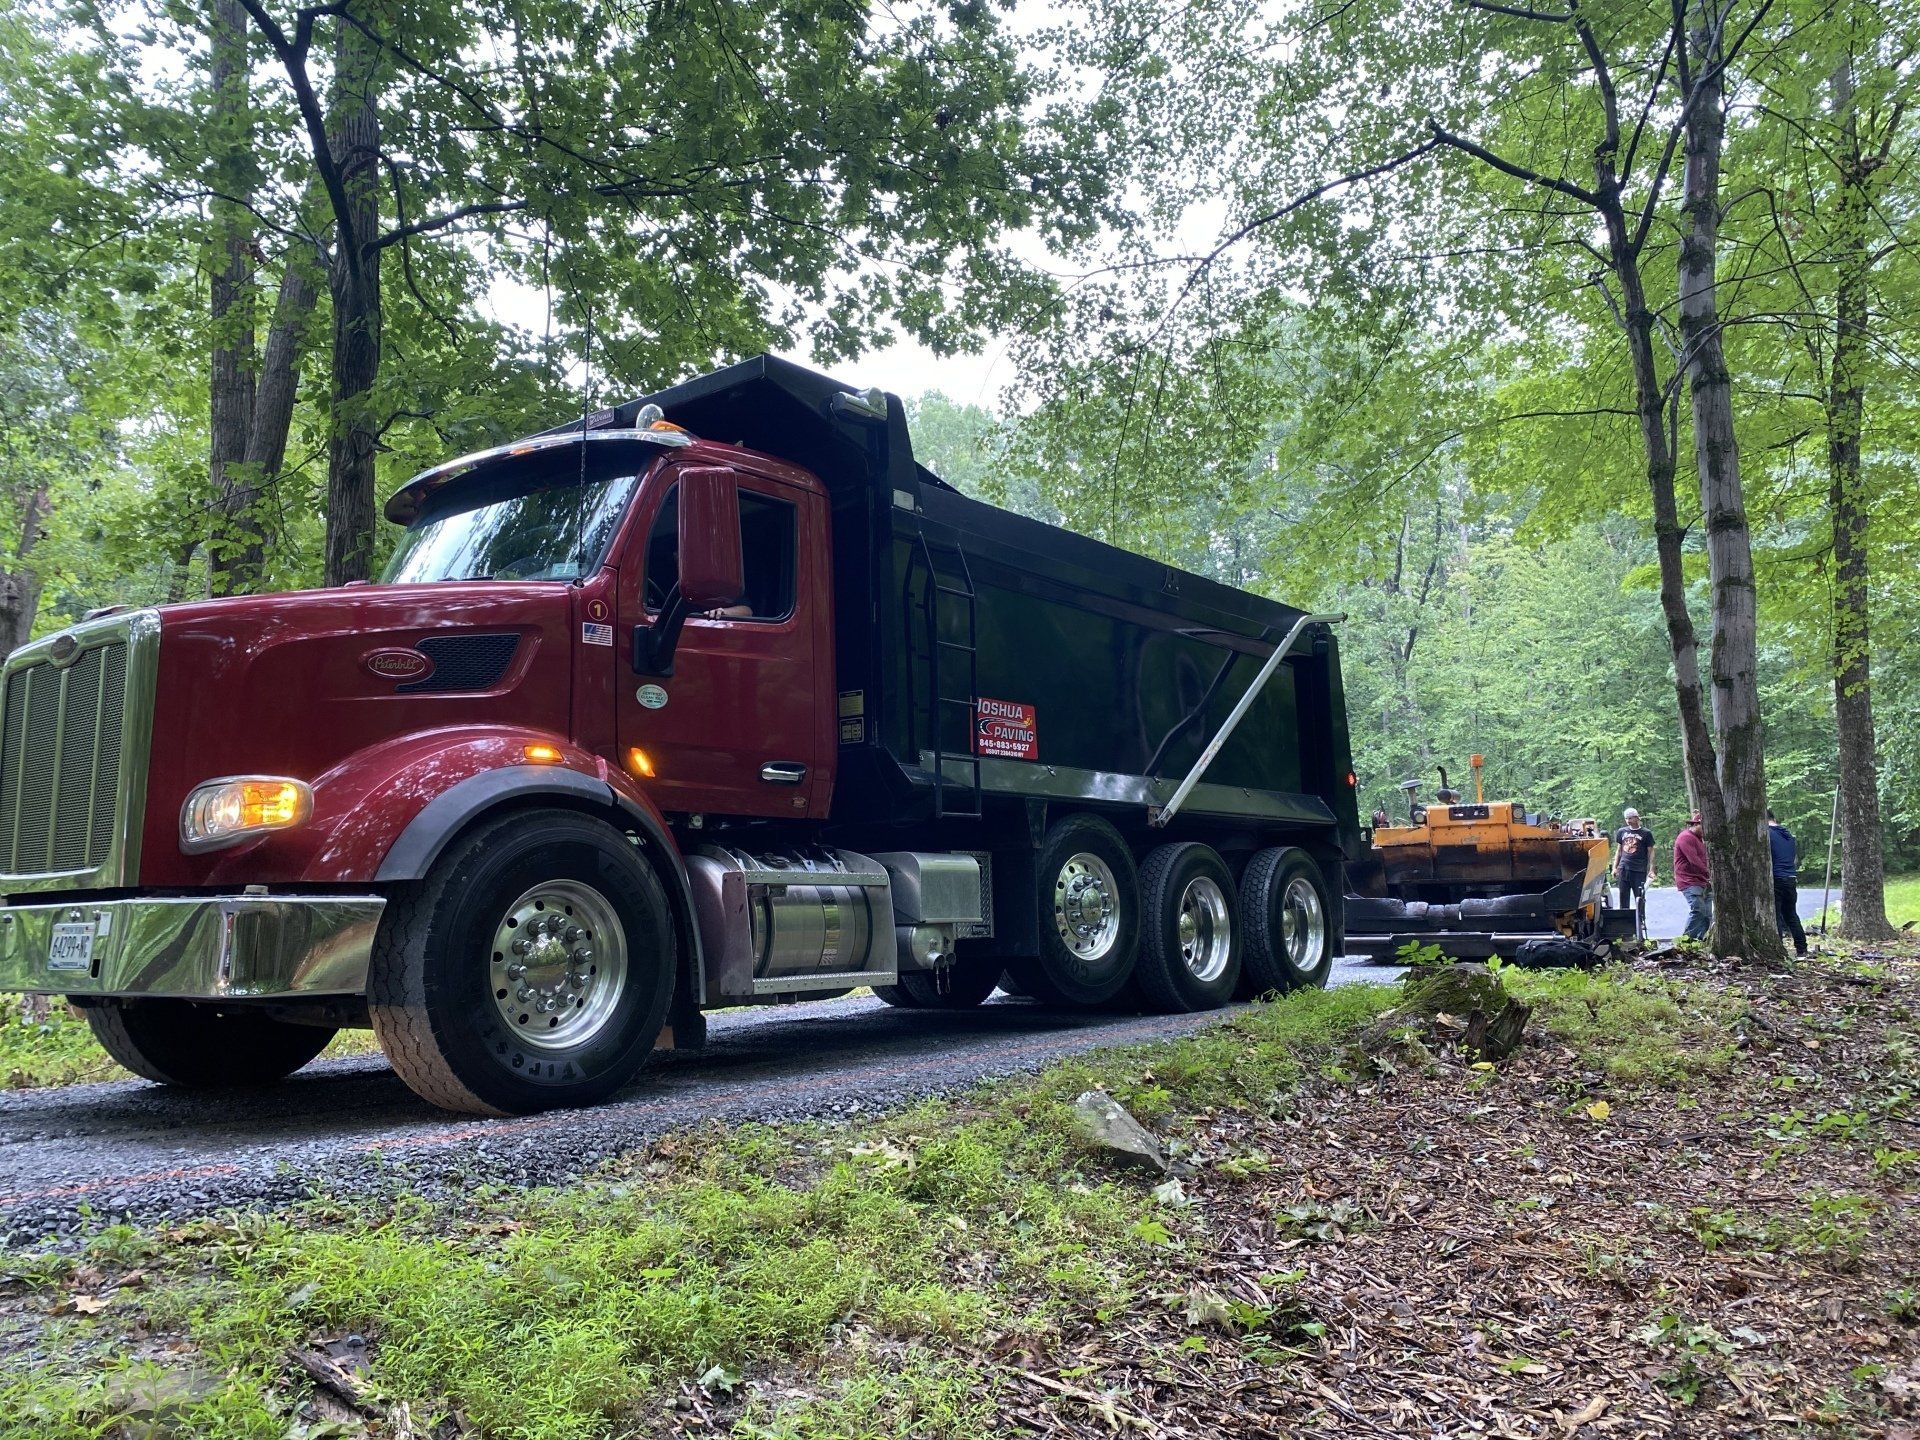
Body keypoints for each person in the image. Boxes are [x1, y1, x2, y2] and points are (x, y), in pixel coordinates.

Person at [1768, 809, 1809, 957]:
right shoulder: (1788, 835)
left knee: (1776, 915)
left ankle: (1779, 948)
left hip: (1777, 878)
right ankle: (1802, 948)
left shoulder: (1766, 834)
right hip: (1790, 877)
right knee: (1791, 914)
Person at [1612, 806, 1657, 935]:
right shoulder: (1622, 832)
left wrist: (1651, 869)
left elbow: (1651, 851)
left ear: (1637, 818)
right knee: (1623, 895)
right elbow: (1619, 850)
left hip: (1638, 869)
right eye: (1626, 818)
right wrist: (1615, 867)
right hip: (1623, 868)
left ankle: (1640, 920)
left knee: (1639, 896)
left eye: (1631, 818)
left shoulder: (1645, 833)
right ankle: (1624, 923)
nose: (1628, 820)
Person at [1673, 813, 1712, 943]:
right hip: (1689, 880)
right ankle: (1685, 941)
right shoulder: (1685, 837)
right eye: (1704, 827)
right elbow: (1694, 860)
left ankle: (1700, 940)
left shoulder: (1699, 839)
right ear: (1696, 825)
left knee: (1707, 914)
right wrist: (1710, 874)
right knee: (1698, 910)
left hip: (1702, 881)